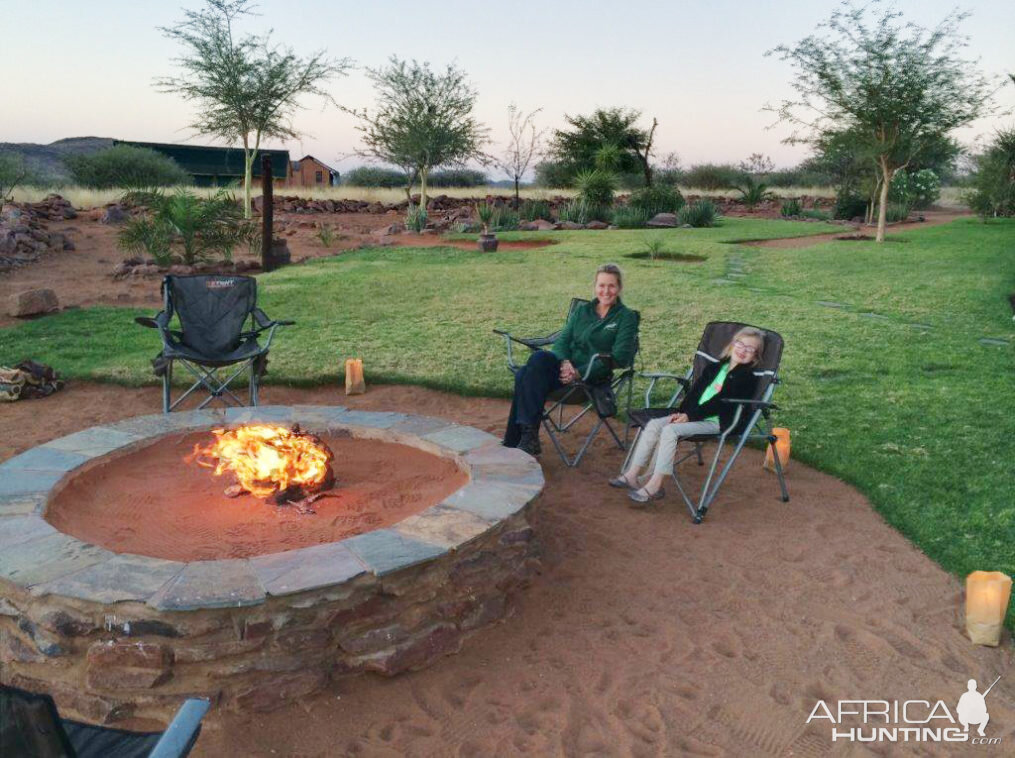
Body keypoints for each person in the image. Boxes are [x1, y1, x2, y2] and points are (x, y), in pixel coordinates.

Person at [610, 327, 765, 505]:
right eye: (740, 344)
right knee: (654, 424)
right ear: (732, 345)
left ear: (755, 356)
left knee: (670, 431)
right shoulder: (715, 368)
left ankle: (655, 486)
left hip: (719, 421)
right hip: (694, 415)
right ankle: (631, 475)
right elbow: (695, 392)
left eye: (749, 349)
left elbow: (720, 403)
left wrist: (690, 416)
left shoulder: (746, 377)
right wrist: (684, 413)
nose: (743, 350)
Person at [503, 263, 639, 456]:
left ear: (619, 288)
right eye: (601, 285)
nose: (606, 291)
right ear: (595, 286)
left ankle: (519, 438)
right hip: (565, 370)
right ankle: (528, 438)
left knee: (524, 375)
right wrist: (566, 363)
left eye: (611, 286)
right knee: (539, 358)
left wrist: (579, 372)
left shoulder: (626, 317)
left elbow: (620, 357)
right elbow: (562, 342)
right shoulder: (583, 311)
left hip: (590, 379)